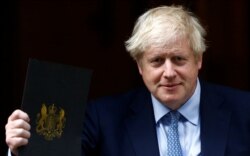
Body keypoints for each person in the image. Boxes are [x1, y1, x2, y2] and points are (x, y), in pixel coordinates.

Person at [5, 5, 250, 156]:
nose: (169, 72)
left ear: (198, 59)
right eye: (156, 61)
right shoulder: (104, 118)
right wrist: (21, 148)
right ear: (140, 67)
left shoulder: (244, 110)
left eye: (178, 59)